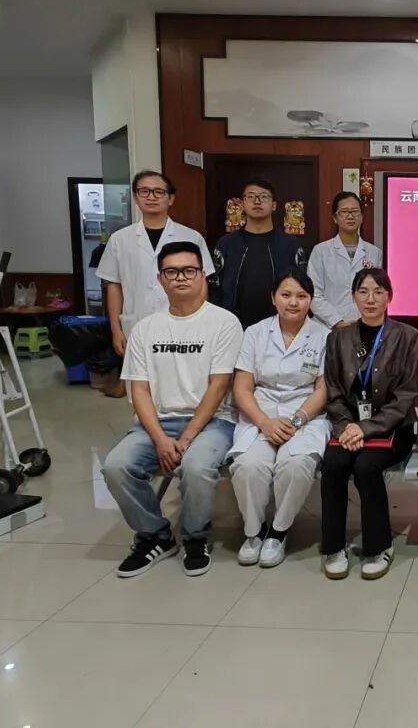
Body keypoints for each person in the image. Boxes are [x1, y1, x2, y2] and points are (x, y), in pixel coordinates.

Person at [101, 242, 242, 578]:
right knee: (116, 466)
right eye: (172, 272)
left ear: (203, 275)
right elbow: (139, 390)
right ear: (160, 279)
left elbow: (219, 386)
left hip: (213, 422)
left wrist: (188, 437)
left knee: (195, 467)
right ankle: (155, 535)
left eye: (189, 270)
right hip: (157, 423)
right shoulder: (145, 329)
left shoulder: (224, 323)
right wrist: (161, 439)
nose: (181, 278)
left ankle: (195, 537)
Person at [320, 268, 418, 581]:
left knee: (366, 466)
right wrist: (347, 427)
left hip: (393, 429)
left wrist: (365, 429)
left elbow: (405, 396)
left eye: (378, 291)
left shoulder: (407, 336)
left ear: (390, 296)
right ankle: (333, 547)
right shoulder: (338, 338)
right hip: (348, 426)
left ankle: (379, 547)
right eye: (363, 291)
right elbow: (333, 392)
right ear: (353, 297)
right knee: (334, 463)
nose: (371, 299)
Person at [228, 269, 330, 569]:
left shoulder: (324, 336)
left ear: (310, 301)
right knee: (248, 466)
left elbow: (323, 389)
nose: (293, 302)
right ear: (273, 298)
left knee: (296, 465)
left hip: (306, 415)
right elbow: (241, 387)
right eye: (286, 295)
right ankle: (254, 531)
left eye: (301, 296)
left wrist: (297, 420)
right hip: (259, 414)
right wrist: (264, 422)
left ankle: (278, 531)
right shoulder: (255, 333)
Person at [97, 170, 214, 357]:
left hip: (184, 325)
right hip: (135, 324)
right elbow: (114, 286)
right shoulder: (119, 239)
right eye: (144, 191)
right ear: (135, 197)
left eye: (159, 192)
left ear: (171, 198)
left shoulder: (191, 237)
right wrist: (116, 330)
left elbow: (202, 283)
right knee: (139, 373)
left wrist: (199, 322)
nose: (151, 197)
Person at [211, 177, 307, 329]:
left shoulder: (290, 245)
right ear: (242, 204)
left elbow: (302, 286)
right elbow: (215, 287)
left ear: (274, 205)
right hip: (233, 325)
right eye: (250, 196)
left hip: (280, 326)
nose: (257, 201)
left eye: (263, 197)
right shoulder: (226, 244)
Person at [308, 191, 382, 329]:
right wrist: (337, 321)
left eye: (355, 211)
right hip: (326, 328)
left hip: (363, 327)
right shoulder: (320, 251)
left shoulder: (374, 252)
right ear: (335, 218)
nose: (350, 216)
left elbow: (378, 292)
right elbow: (314, 294)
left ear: (362, 216)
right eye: (344, 212)